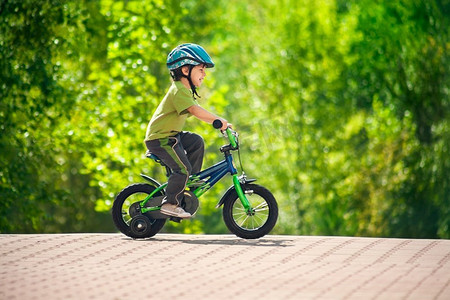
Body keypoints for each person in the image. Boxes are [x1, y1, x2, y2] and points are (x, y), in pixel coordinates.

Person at [144, 43, 230, 219]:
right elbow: (195, 111)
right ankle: (170, 203)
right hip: (160, 139)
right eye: (201, 69)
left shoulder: (185, 91)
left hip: (171, 136)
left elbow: (197, 109)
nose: (204, 74)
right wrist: (218, 121)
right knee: (182, 169)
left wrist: (218, 121)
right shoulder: (179, 90)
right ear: (185, 70)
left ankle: (190, 182)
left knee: (196, 141)